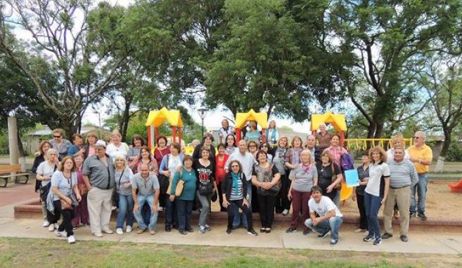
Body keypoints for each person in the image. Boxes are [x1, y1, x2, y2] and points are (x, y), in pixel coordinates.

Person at [382, 148, 418, 242]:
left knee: (404, 212)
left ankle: (403, 234)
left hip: (404, 189)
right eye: (396, 153)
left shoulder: (409, 164)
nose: (397, 154)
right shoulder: (388, 164)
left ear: (403, 154)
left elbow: (415, 178)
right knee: (387, 211)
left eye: (400, 153)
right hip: (390, 189)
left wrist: (407, 187)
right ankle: (388, 232)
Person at [82, 140, 115, 237]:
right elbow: (84, 174)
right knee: (95, 211)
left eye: (99, 149)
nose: (97, 151)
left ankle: (105, 226)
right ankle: (96, 230)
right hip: (96, 188)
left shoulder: (110, 158)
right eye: (96, 149)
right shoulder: (89, 159)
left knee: (107, 209)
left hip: (109, 189)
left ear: (105, 149)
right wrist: (89, 187)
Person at [46, 156, 81, 244]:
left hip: (69, 196)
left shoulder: (73, 173)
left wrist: (77, 194)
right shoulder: (57, 174)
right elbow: (54, 189)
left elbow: (75, 186)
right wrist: (65, 198)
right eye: (67, 163)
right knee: (66, 214)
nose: (69, 164)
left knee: (72, 215)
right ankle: (70, 235)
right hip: (57, 197)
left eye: (71, 163)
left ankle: (60, 229)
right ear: (63, 164)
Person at [222, 160, 258, 236]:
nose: (235, 167)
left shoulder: (242, 175)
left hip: (240, 199)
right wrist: (224, 200)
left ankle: (250, 229)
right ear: (230, 167)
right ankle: (229, 227)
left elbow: (245, 187)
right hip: (230, 199)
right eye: (233, 166)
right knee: (231, 214)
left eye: (236, 166)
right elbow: (223, 188)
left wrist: (245, 199)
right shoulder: (227, 176)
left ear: (239, 167)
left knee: (248, 211)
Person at [363, 146, 390, 246]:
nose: (375, 155)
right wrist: (363, 182)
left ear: (381, 155)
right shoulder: (371, 165)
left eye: (377, 153)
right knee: (368, 214)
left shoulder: (384, 166)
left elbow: (387, 183)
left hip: (377, 194)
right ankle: (371, 234)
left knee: (373, 215)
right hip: (368, 192)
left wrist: (385, 197)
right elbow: (371, 179)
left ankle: (378, 236)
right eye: (373, 153)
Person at [225, 140, 255, 228]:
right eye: (240, 145)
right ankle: (236, 222)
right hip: (235, 182)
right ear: (238, 146)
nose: (242, 146)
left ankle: (246, 222)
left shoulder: (250, 156)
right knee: (234, 203)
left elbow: (256, 165)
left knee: (247, 202)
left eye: (244, 145)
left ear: (246, 146)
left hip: (247, 183)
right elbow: (227, 167)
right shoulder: (233, 155)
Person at [286, 150, 318, 234]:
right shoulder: (296, 166)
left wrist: (313, 193)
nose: (304, 157)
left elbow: (315, 180)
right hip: (296, 190)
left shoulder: (313, 167)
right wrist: (290, 191)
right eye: (303, 155)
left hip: (308, 192)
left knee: (306, 210)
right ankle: (293, 226)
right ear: (300, 157)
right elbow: (293, 180)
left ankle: (306, 227)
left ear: (309, 157)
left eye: (306, 155)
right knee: (295, 209)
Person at [252, 150, 280, 233]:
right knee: (262, 208)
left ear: (266, 156)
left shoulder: (272, 166)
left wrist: (271, 184)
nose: (262, 157)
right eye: (260, 156)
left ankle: (269, 225)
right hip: (260, 191)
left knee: (270, 208)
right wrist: (261, 184)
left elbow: (277, 175)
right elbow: (253, 179)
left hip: (271, 190)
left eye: (263, 155)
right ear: (257, 158)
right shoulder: (255, 167)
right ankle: (263, 225)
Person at [407, 131, 433, 220]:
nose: (415, 139)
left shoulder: (427, 149)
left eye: (417, 137)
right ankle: (412, 211)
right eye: (415, 137)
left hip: (422, 175)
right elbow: (406, 160)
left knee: (422, 194)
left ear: (423, 139)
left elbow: (429, 162)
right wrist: (420, 160)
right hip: (411, 175)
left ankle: (421, 212)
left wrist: (417, 160)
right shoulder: (410, 149)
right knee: (411, 194)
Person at [169, 156, 197, 235]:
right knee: (181, 212)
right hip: (181, 196)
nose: (188, 162)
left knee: (188, 212)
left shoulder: (194, 171)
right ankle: (181, 227)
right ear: (183, 162)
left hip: (190, 196)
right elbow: (174, 182)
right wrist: (172, 193)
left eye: (190, 161)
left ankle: (188, 226)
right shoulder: (180, 171)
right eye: (186, 161)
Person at [159, 142, 184, 231]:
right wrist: (165, 172)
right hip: (169, 182)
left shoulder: (182, 157)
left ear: (178, 149)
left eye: (174, 148)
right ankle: (168, 223)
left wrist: (182, 169)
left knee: (178, 204)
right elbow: (160, 170)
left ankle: (176, 223)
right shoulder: (166, 157)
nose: (172, 149)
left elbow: (186, 168)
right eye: (171, 148)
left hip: (179, 183)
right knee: (169, 204)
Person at [132, 164, 160, 235]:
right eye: (142, 170)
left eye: (146, 170)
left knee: (154, 209)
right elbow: (133, 191)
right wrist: (136, 203)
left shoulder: (153, 177)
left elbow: (157, 190)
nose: (144, 172)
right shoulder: (135, 177)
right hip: (141, 194)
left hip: (151, 194)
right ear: (139, 170)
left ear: (149, 170)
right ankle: (142, 226)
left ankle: (151, 228)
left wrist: (154, 204)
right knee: (136, 210)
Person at [194, 148, 217, 233]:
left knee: (208, 207)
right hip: (199, 187)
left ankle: (205, 223)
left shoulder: (211, 163)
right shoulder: (196, 162)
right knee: (205, 205)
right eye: (203, 152)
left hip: (208, 187)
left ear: (209, 154)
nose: (205, 154)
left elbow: (213, 176)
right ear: (201, 153)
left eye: (206, 152)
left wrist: (215, 187)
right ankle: (201, 224)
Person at [36, 148, 59, 229]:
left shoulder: (58, 164)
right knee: (45, 203)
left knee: (55, 203)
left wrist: (57, 163)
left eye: (54, 154)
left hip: (56, 187)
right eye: (51, 154)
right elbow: (38, 176)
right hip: (46, 187)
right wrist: (44, 178)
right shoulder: (43, 164)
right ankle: (46, 220)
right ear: (47, 155)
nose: (53, 156)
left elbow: (62, 172)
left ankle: (55, 221)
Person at [114, 154, 135, 235]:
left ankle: (129, 225)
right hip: (121, 193)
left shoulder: (128, 170)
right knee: (122, 209)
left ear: (124, 162)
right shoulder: (114, 170)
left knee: (130, 209)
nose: (119, 162)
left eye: (121, 160)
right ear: (115, 162)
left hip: (129, 193)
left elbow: (133, 180)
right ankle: (119, 226)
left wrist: (128, 184)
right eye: (118, 160)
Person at [352, 153, 369, 233]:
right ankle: (362, 227)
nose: (363, 158)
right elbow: (354, 181)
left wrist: (367, 180)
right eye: (362, 157)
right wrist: (353, 193)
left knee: (368, 210)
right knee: (361, 209)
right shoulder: (358, 168)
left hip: (369, 192)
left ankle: (369, 228)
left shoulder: (372, 168)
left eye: (365, 157)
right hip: (359, 192)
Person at [71, 154, 89, 228]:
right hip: (73, 189)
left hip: (84, 189)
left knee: (84, 205)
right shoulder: (71, 168)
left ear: (83, 159)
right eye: (76, 159)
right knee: (75, 206)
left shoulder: (85, 168)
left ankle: (85, 221)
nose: (78, 160)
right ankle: (75, 222)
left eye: (79, 158)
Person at [273, 137, 289, 215]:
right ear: (279, 141)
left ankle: (285, 208)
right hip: (275, 174)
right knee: (276, 191)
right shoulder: (274, 149)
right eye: (281, 140)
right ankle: (278, 208)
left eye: (285, 141)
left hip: (284, 174)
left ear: (286, 143)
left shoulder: (288, 150)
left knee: (284, 191)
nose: (283, 142)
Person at [215, 144, 229, 212]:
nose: (221, 150)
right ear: (218, 149)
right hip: (218, 180)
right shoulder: (215, 157)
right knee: (220, 195)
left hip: (226, 180)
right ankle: (222, 209)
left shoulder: (228, 157)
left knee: (227, 195)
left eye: (223, 148)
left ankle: (228, 209)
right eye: (220, 148)